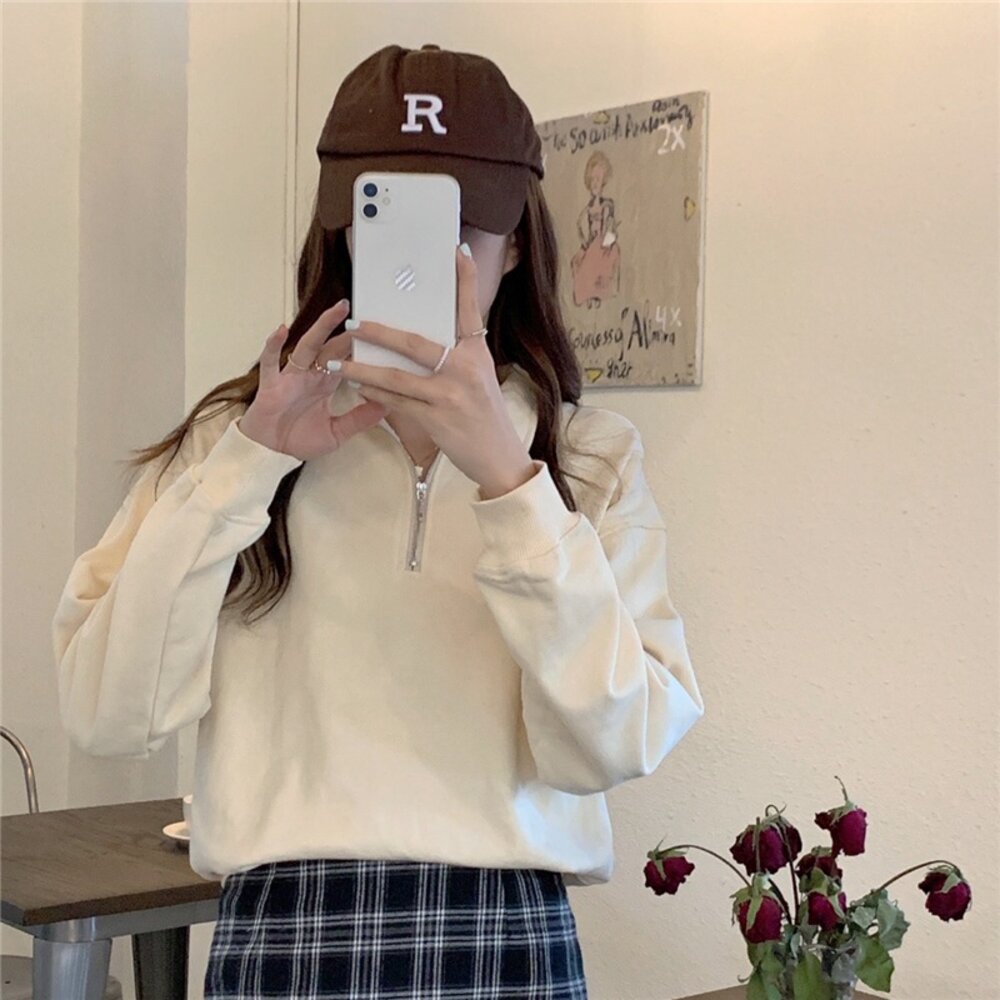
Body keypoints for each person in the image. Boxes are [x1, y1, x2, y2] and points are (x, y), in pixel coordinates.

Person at [51, 42, 706, 1000]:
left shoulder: (589, 458)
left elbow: (617, 743)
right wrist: (250, 463)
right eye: (386, 215)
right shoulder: (235, 440)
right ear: (343, 231)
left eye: (459, 224)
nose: (428, 260)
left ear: (517, 241)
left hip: (507, 933)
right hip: (284, 932)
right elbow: (108, 713)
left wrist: (510, 483)